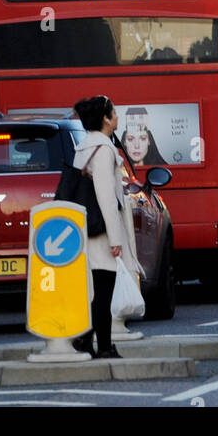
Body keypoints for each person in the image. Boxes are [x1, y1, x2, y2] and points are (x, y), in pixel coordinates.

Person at [71, 96, 141, 359]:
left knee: (98, 290)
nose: (117, 117)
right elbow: (106, 199)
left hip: (87, 227)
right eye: (115, 113)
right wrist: (115, 239)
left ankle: (88, 340)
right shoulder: (104, 149)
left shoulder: (84, 147)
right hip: (102, 232)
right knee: (103, 292)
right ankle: (104, 346)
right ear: (106, 119)